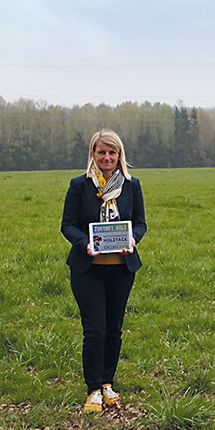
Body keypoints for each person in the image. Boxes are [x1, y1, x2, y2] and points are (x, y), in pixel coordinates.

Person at [61, 129, 146, 413]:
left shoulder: (132, 186)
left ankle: (108, 384)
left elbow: (140, 223)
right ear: (93, 155)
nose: (107, 157)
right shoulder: (79, 186)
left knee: (114, 330)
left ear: (120, 155)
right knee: (94, 330)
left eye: (112, 152)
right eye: (101, 152)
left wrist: (133, 238)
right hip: (88, 270)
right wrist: (85, 243)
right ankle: (93, 389)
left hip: (122, 269)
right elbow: (68, 225)